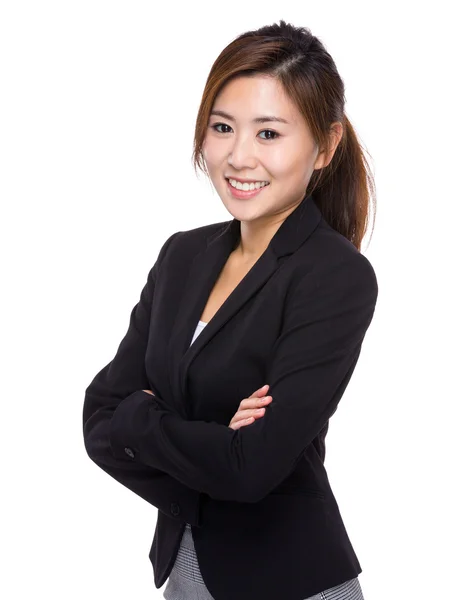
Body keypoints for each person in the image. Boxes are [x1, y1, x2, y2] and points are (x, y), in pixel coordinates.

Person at [83, 19, 378, 600]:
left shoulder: (334, 275)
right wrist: (213, 445)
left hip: (290, 579)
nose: (238, 157)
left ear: (327, 144)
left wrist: (144, 419)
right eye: (223, 128)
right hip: (186, 572)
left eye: (269, 134)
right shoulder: (183, 255)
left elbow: (252, 469)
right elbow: (98, 420)